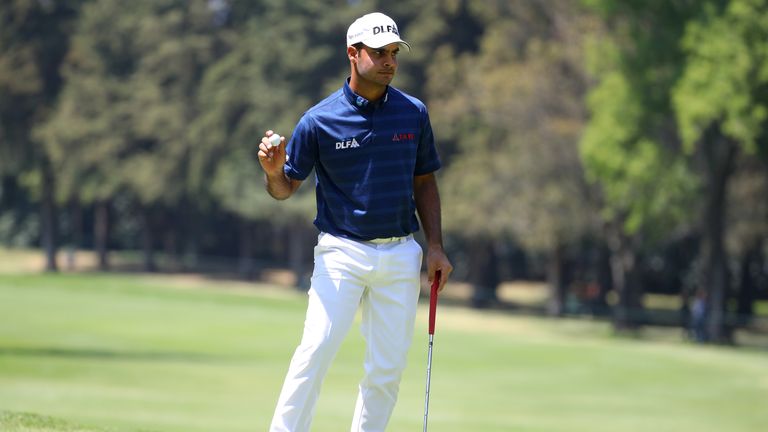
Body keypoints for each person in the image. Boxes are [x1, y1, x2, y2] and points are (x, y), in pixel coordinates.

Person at [257, 11, 453, 432]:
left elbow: (425, 181)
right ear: (353, 53)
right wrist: (274, 172)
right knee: (316, 350)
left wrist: (435, 245)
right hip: (342, 252)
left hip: (401, 253)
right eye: (379, 53)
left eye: (394, 53)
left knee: (386, 370)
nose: (389, 62)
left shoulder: (413, 113)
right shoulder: (318, 120)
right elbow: (285, 187)